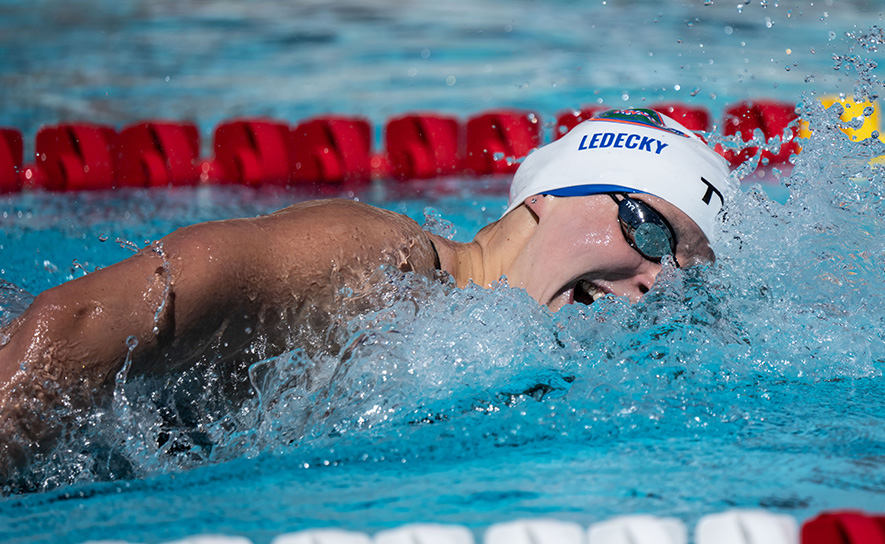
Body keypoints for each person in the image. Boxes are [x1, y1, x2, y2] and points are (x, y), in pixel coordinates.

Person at [0, 108, 730, 474]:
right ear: (546, 197)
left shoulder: (491, 369)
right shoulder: (373, 262)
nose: (652, 281)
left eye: (678, 280)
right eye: (650, 232)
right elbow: (73, 324)